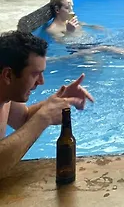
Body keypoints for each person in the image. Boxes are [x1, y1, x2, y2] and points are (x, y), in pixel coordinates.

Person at [0, 31, 94, 179]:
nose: (41, 81)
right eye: (35, 74)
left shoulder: (6, 96)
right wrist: (44, 118)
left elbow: (24, 119)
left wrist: (59, 100)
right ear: (7, 75)